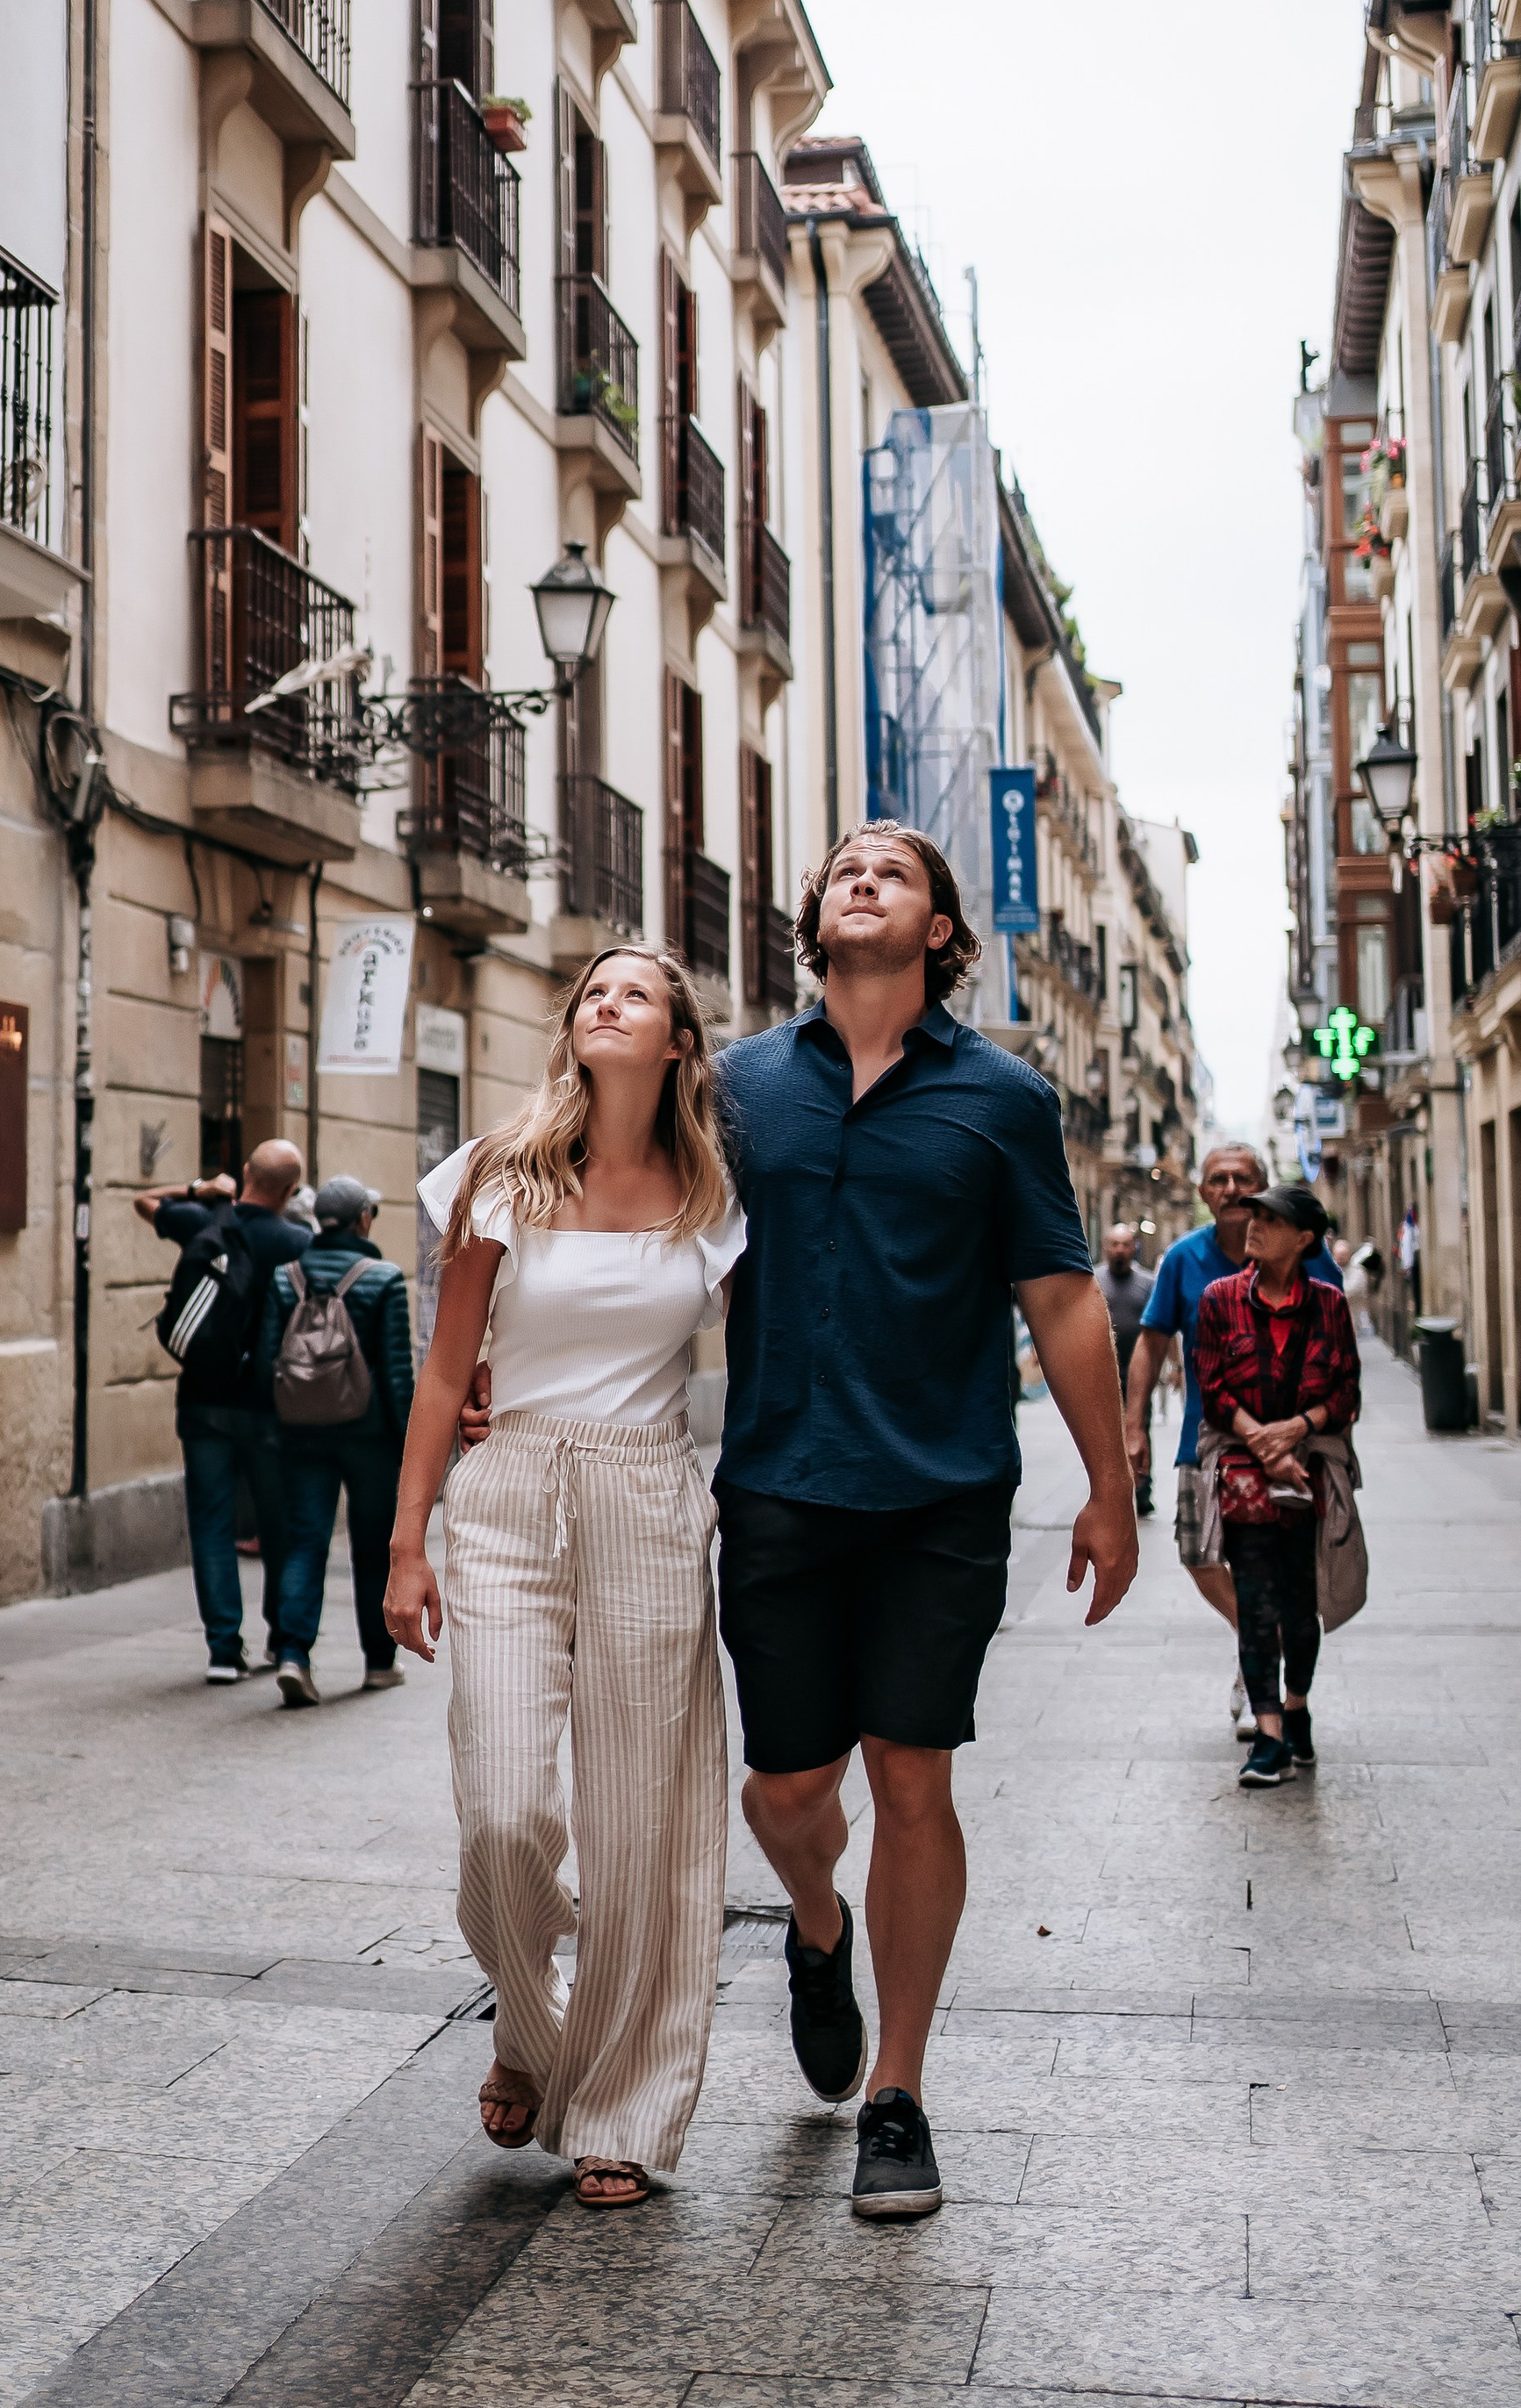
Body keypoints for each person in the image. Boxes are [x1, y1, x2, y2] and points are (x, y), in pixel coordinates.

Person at [713, 827, 1135, 2221]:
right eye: (839, 866)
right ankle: (816, 1930)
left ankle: (897, 2090)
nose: (860, 877)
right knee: (785, 1794)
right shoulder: (738, 1088)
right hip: (776, 1482)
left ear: (943, 930)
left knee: (911, 1778)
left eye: (893, 871)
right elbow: (634, 1237)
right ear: (816, 917)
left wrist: (1112, 1484)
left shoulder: (1002, 1102)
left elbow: (1062, 1298)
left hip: (942, 1494)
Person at [385, 946, 742, 2212]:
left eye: (636, 993)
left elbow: (770, 1363)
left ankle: (623, 2108)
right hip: (506, 1493)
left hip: (646, 1497)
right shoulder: (495, 1177)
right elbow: (445, 1371)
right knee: (505, 1812)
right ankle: (534, 2032)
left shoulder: (716, 1200)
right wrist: (406, 1540)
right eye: (594, 989)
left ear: (678, 1045)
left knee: (645, 1823)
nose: (607, 1000)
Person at [1123, 1145, 1345, 1735]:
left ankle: (1264, 1682)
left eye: (1241, 1179)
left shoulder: (1311, 1255)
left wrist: (1311, 1431)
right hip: (1209, 1439)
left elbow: (1339, 1347)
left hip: (1296, 1449)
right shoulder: (1182, 1259)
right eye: (1217, 1179)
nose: (1229, 1188)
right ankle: (1256, 1639)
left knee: (1289, 1570)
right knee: (1198, 1554)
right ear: (1201, 1192)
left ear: (1263, 1188)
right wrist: (1132, 1424)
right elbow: (1151, 1342)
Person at [1191, 1179, 1362, 1788]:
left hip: (1311, 1473)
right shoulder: (1219, 1299)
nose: (1254, 1225)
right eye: (1253, 1216)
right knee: (1258, 1607)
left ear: (1304, 1237)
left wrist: (1293, 1431)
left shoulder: (1330, 1305)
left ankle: (1296, 1709)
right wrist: (1262, 1446)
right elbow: (1213, 1390)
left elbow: (1346, 1394)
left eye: (1270, 1218)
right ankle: (1268, 1736)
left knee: (1299, 1606)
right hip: (1243, 1477)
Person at [138, 1139, 311, 1682]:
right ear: (291, 1191)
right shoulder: (299, 1243)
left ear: (244, 1174)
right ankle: (282, 1643)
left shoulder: (207, 1225)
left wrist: (201, 1190)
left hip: (203, 1400)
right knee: (278, 1526)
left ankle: (221, 1651)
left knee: (211, 1523)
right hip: (269, 1407)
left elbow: (144, 1202)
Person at [255, 1176, 414, 1706]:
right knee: (373, 1549)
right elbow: (396, 1372)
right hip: (368, 1438)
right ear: (363, 1220)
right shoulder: (383, 1279)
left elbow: (266, 1364)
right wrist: (408, 1441)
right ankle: (377, 1663)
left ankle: (295, 1655)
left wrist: (276, 1427)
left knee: (305, 1540)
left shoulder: (286, 1277)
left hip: (302, 1433)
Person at [1095, 1224, 1154, 1516]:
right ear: (1106, 1247)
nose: (1120, 1250)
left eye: (1126, 1244)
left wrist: (1175, 1366)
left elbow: (1159, 1330)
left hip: (1138, 1374)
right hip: (1101, 1375)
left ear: (1134, 1249)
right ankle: (1111, 1490)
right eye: (1115, 1244)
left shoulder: (1147, 1282)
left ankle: (1143, 1489)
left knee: (1140, 1427)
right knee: (1106, 1435)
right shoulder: (1091, 1281)